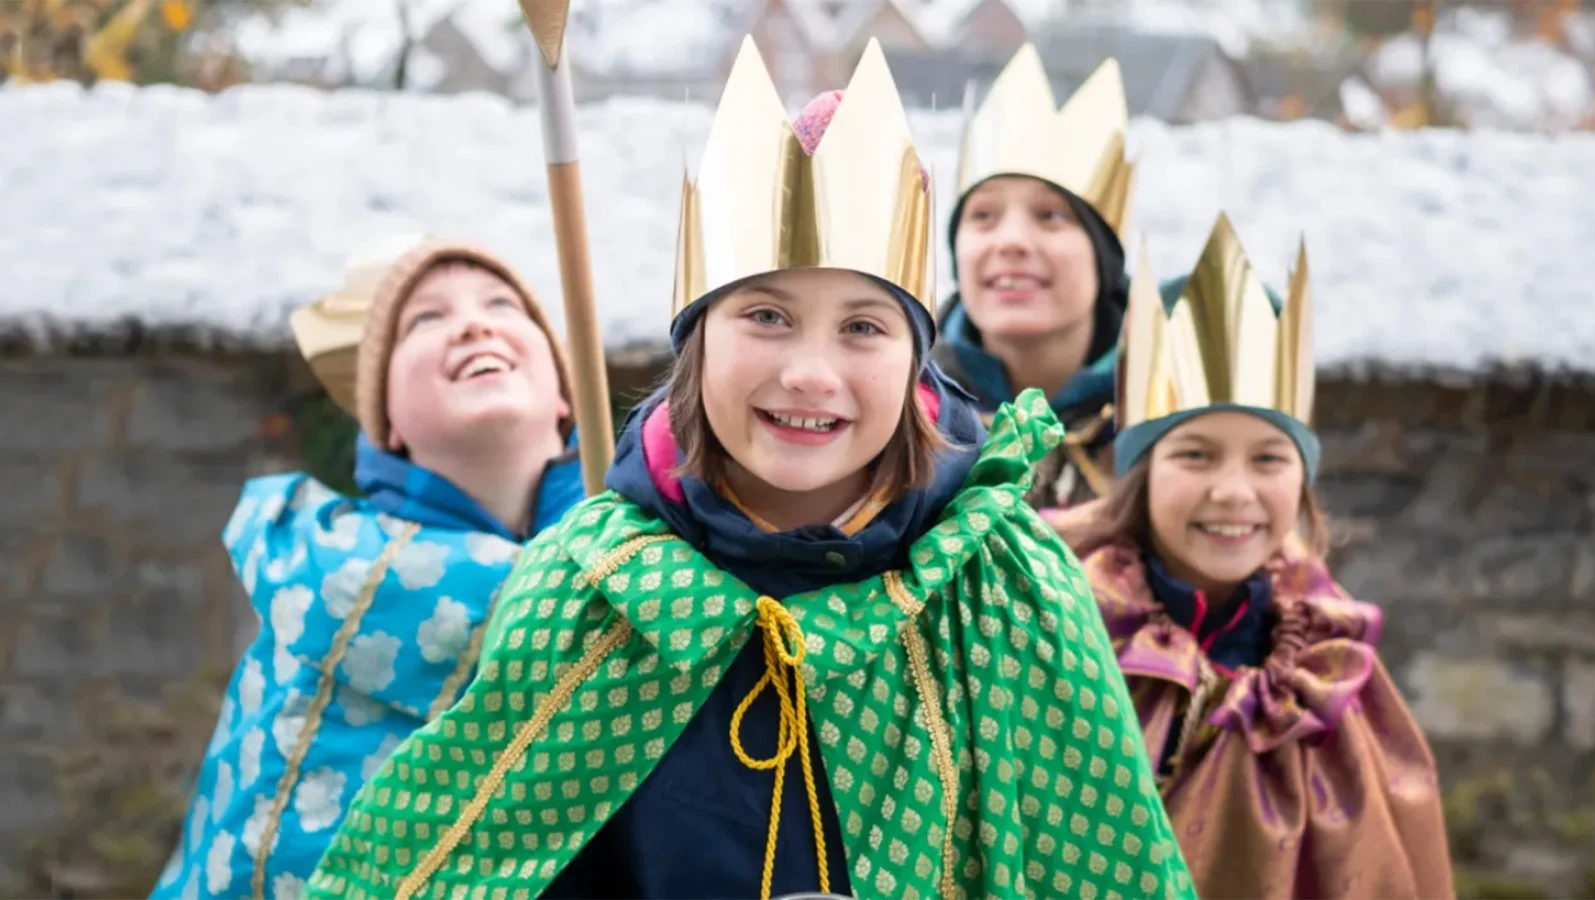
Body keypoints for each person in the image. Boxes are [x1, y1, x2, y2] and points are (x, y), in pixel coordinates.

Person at [305, 39, 1195, 900]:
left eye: (862, 326)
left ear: (915, 364)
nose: (811, 372)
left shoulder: (1010, 588)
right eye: (766, 315)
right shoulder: (587, 587)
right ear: (698, 346)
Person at [151, 235, 586, 900]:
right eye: (426, 320)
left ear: (565, 398)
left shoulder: (641, 581)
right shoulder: (322, 573)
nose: (474, 322)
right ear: (385, 424)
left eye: (503, 304)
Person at [1069, 215, 1455, 898]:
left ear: (1301, 485)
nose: (1233, 492)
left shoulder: (1328, 668)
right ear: (1141, 476)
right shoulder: (1065, 627)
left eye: (1269, 458)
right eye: (1195, 453)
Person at [932, 43, 1137, 535]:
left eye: (1051, 216)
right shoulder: (903, 407)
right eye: (983, 216)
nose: (1012, 241)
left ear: (1102, 258)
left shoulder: (1165, 413)